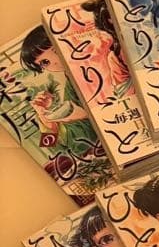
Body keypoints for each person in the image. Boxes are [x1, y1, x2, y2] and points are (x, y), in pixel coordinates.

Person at [19, 25, 109, 189]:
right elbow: (52, 146)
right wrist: (44, 116)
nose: (55, 60)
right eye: (45, 62)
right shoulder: (69, 86)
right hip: (90, 159)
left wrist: (84, 114)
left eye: (55, 49)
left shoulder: (97, 63)